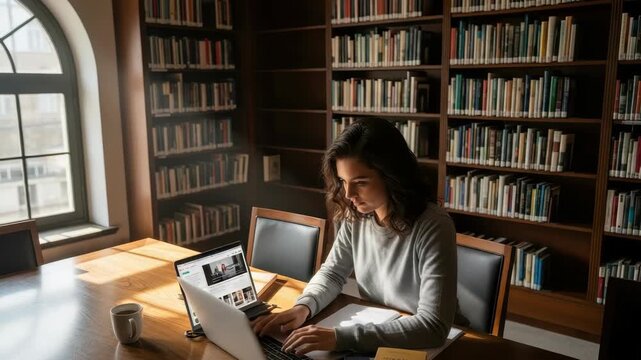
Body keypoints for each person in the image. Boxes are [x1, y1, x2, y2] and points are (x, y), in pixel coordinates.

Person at [251, 118, 462, 356]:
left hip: (431, 346)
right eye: (343, 181)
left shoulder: (434, 225)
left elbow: (433, 326)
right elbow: (332, 273)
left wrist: (342, 338)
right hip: (381, 332)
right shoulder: (357, 216)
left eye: (360, 182)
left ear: (392, 176)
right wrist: (304, 306)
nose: (349, 194)